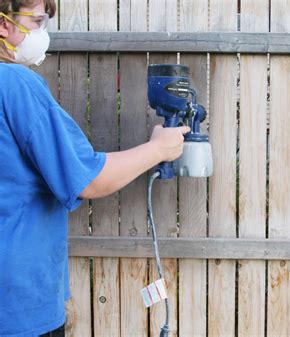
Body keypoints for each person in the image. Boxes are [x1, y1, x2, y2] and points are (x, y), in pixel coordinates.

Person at [0, 0, 190, 336]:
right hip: (17, 305)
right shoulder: (15, 85)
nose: (43, 32)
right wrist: (158, 148)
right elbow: (88, 179)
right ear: (4, 24)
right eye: (38, 20)